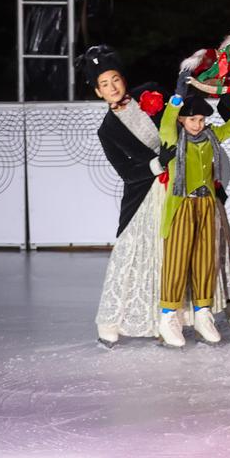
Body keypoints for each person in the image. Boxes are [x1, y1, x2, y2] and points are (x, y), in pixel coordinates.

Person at [156, 85, 230, 347]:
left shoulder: (211, 136)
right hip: (181, 205)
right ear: (181, 119)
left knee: (204, 259)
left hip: (206, 204)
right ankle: (168, 316)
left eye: (201, 119)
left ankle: (202, 313)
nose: (197, 125)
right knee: (176, 260)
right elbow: (165, 121)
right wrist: (175, 97)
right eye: (192, 119)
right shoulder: (172, 137)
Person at [88, 46, 169, 346]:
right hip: (142, 194)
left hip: (176, 186)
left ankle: (169, 317)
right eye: (104, 85)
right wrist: (160, 163)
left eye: (116, 79)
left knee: (170, 254)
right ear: (98, 92)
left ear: (124, 78)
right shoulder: (107, 130)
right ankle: (112, 319)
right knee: (131, 254)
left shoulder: (150, 94)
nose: (112, 88)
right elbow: (126, 171)